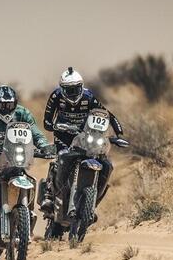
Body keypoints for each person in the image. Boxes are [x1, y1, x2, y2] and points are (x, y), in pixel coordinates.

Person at [40, 67, 124, 213]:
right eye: (69, 90)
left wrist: (118, 133)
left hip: (84, 136)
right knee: (60, 158)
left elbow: (106, 114)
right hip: (63, 136)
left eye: (76, 89)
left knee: (105, 163)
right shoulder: (56, 96)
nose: (73, 93)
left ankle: (92, 202)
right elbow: (47, 122)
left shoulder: (88, 96)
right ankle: (48, 195)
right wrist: (57, 126)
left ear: (82, 86)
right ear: (62, 88)